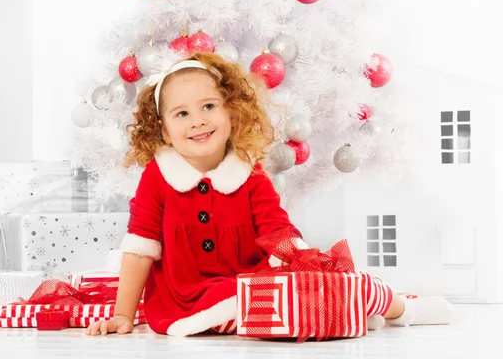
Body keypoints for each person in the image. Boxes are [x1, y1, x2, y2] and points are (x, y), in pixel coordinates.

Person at [86, 53, 455, 337]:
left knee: (327, 284)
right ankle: (346, 311)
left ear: (231, 114)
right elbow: (140, 247)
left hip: (256, 284)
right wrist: (122, 315)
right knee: (281, 312)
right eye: (181, 114)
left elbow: (278, 230)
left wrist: (307, 268)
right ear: (165, 132)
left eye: (209, 107)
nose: (197, 120)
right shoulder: (158, 177)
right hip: (187, 302)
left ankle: (397, 308)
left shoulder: (249, 174)